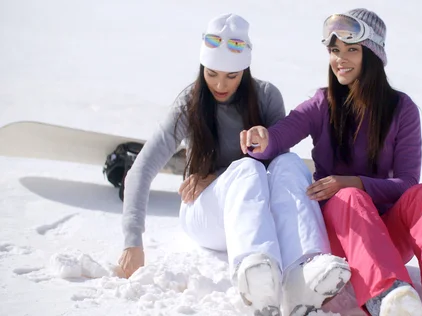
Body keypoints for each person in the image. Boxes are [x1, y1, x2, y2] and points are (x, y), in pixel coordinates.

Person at [240, 8, 422, 316]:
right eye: (334, 50)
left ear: (372, 55)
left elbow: (407, 184)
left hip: (387, 235)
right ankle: (388, 299)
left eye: (351, 50)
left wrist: (353, 181)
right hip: (343, 239)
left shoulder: (401, 109)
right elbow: (281, 135)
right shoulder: (322, 103)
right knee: (350, 198)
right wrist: (262, 139)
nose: (340, 59)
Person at [117, 13, 351, 316]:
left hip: (250, 208)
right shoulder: (189, 103)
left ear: (245, 69)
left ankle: (303, 272)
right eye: (212, 73)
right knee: (249, 168)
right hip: (204, 212)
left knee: (289, 161)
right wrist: (132, 241)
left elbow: (278, 172)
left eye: (231, 75)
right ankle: (256, 277)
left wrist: (216, 173)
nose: (219, 84)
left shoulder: (266, 96)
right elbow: (142, 168)